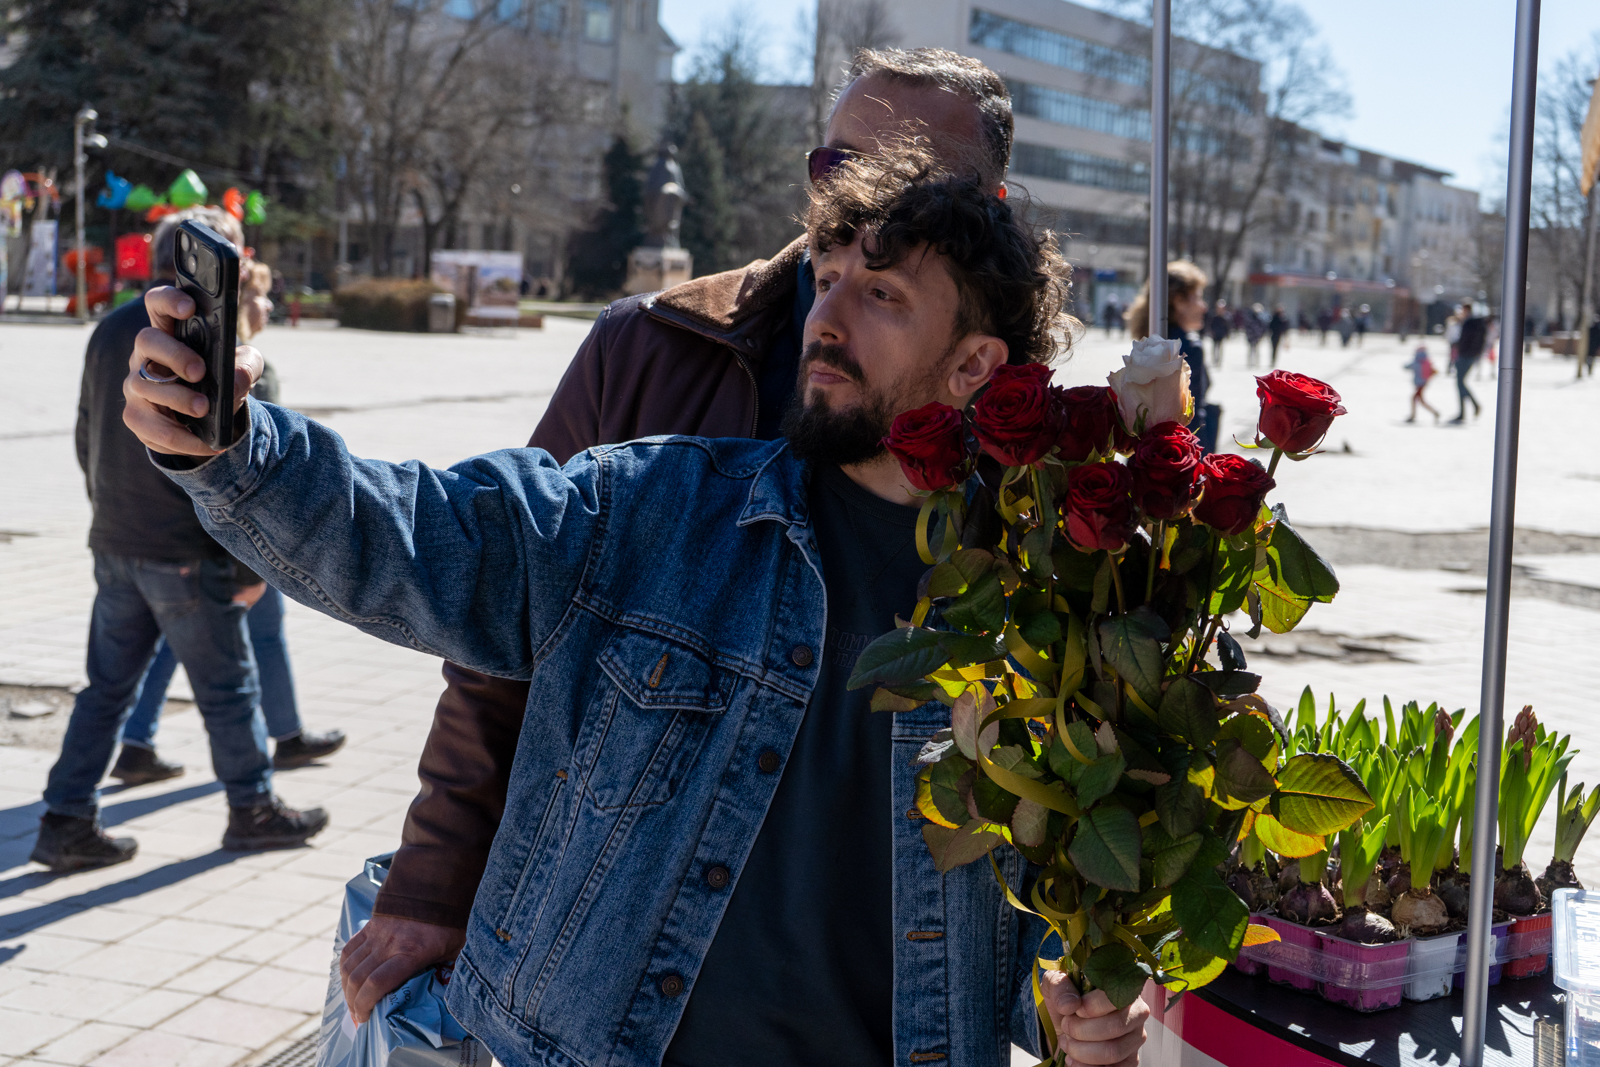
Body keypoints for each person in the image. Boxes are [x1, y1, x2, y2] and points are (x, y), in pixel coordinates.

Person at [125, 144, 1149, 1067]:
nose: (827, 317)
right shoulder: (660, 506)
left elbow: (1034, 915)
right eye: (828, 276)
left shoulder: (1044, 620)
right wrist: (235, 446)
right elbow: (427, 534)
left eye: (880, 293)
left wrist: (1067, 1010)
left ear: (974, 366)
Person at [34, 208, 328, 872]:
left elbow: (86, 431)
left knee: (105, 689)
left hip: (117, 541)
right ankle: (253, 808)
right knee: (228, 688)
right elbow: (235, 465)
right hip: (185, 550)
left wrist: (106, 511)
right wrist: (250, 563)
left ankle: (64, 819)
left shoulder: (112, 326)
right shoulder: (206, 340)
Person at [113, 260, 346, 785]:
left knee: (181, 640)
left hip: (176, 536)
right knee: (240, 650)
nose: (270, 305)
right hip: (231, 543)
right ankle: (260, 776)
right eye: (262, 295)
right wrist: (253, 567)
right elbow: (258, 470)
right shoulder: (248, 368)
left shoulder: (164, 347)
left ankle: (140, 739)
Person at [1127, 259, 1213, 452]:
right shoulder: (1188, 347)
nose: (1204, 307)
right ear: (1179, 302)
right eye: (1198, 298)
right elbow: (1190, 417)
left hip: (1145, 452)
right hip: (1176, 454)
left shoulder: (1149, 343)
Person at [1450, 301, 1487, 424]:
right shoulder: (1478, 322)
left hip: (1465, 355)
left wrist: (1458, 347)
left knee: (1460, 383)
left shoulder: (1469, 323)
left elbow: (1464, 340)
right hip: (1471, 355)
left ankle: (1467, 410)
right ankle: (1469, 408)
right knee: (1461, 382)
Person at [1405, 344, 1439, 423]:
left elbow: (1407, 367)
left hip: (1419, 384)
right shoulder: (1426, 361)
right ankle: (1434, 413)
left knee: (1416, 399)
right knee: (1419, 400)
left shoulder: (1417, 361)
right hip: (1424, 383)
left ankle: (1414, 416)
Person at [1206, 299, 1230, 366]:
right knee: (1214, 347)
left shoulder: (1225, 317)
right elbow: (1209, 324)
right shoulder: (1213, 316)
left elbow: (1227, 326)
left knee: (1220, 347)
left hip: (1221, 334)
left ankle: (1219, 360)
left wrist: (1227, 334)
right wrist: (1210, 332)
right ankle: (1215, 360)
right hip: (1214, 334)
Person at [1243, 302, 1267, 367]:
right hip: (1251, 336)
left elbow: (1263, 328)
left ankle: (1256, 362)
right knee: (1251, 350)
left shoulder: (1261, 318)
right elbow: (1248, 327)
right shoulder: (1250, 318)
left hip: (1257, 336)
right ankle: (1250, 362)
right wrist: (1249, 334)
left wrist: (1261, 335)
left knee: (1256, 350)